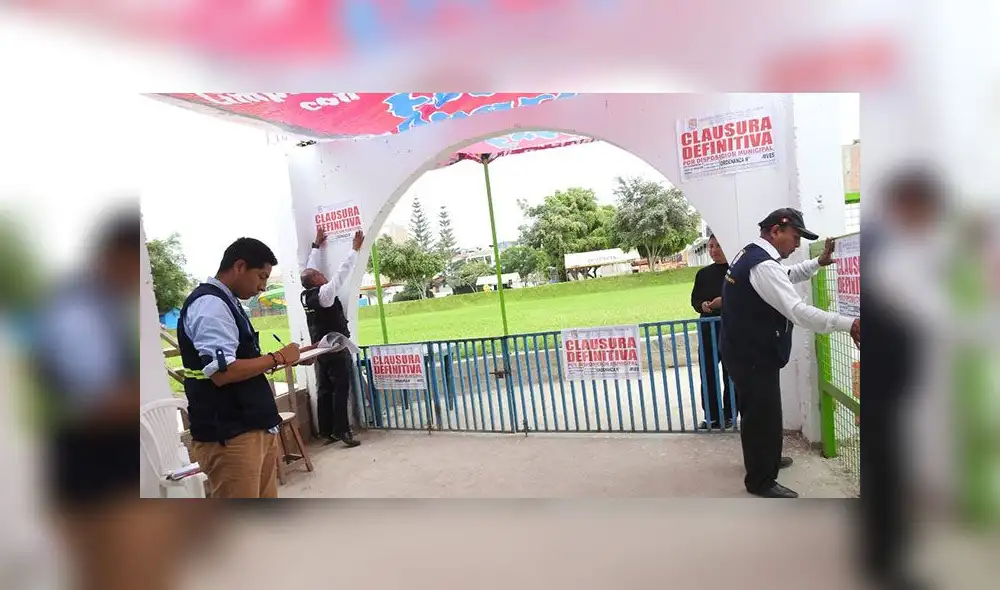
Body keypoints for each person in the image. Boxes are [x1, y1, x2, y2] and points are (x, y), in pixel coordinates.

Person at [721, 208, 860, 499]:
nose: (796, 245)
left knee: (764, 413)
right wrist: (849, 324)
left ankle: (768, 459)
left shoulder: (752, 255)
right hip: (753, 355)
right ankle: (760, 480)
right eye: (795, 237)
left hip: (745, 351)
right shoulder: (763, 266)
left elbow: (786, 275)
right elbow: (797, 311)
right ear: (776, 231)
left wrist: (818, 263)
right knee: (761, 416)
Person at [177, 237, 303, 498]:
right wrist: (278, 357)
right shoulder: (210, 305)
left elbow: (239, 362)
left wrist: (282, 359)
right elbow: (224, 372)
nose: (262, 287)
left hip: (253, 427)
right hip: (230, 436)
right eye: (261, 276)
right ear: (239, 266)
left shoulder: (228, 302)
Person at [300, 228, 365, 447]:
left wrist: (316, 246)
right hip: (336, 348)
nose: (322, 274)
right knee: (340, 390)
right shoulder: (325, 293)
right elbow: (342, 274)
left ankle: (327, 431)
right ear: (317, 280)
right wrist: (354, 250)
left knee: (324, 389)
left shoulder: (307, 295)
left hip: (320, 350)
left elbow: (309, 268)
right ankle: (343, 431)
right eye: (319, 275)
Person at [690, 234, 734, 430]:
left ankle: (730, 414)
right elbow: (695, 300)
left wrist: (723, 302)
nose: (714, 250)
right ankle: (712, 416)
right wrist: (704, 305)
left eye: (718, 246)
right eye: (711, 246)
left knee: (730, 372)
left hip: (731, 328)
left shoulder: (735, 271)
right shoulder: (702, 274)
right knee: (708, 372)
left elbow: (741, 297)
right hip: (708, 329)